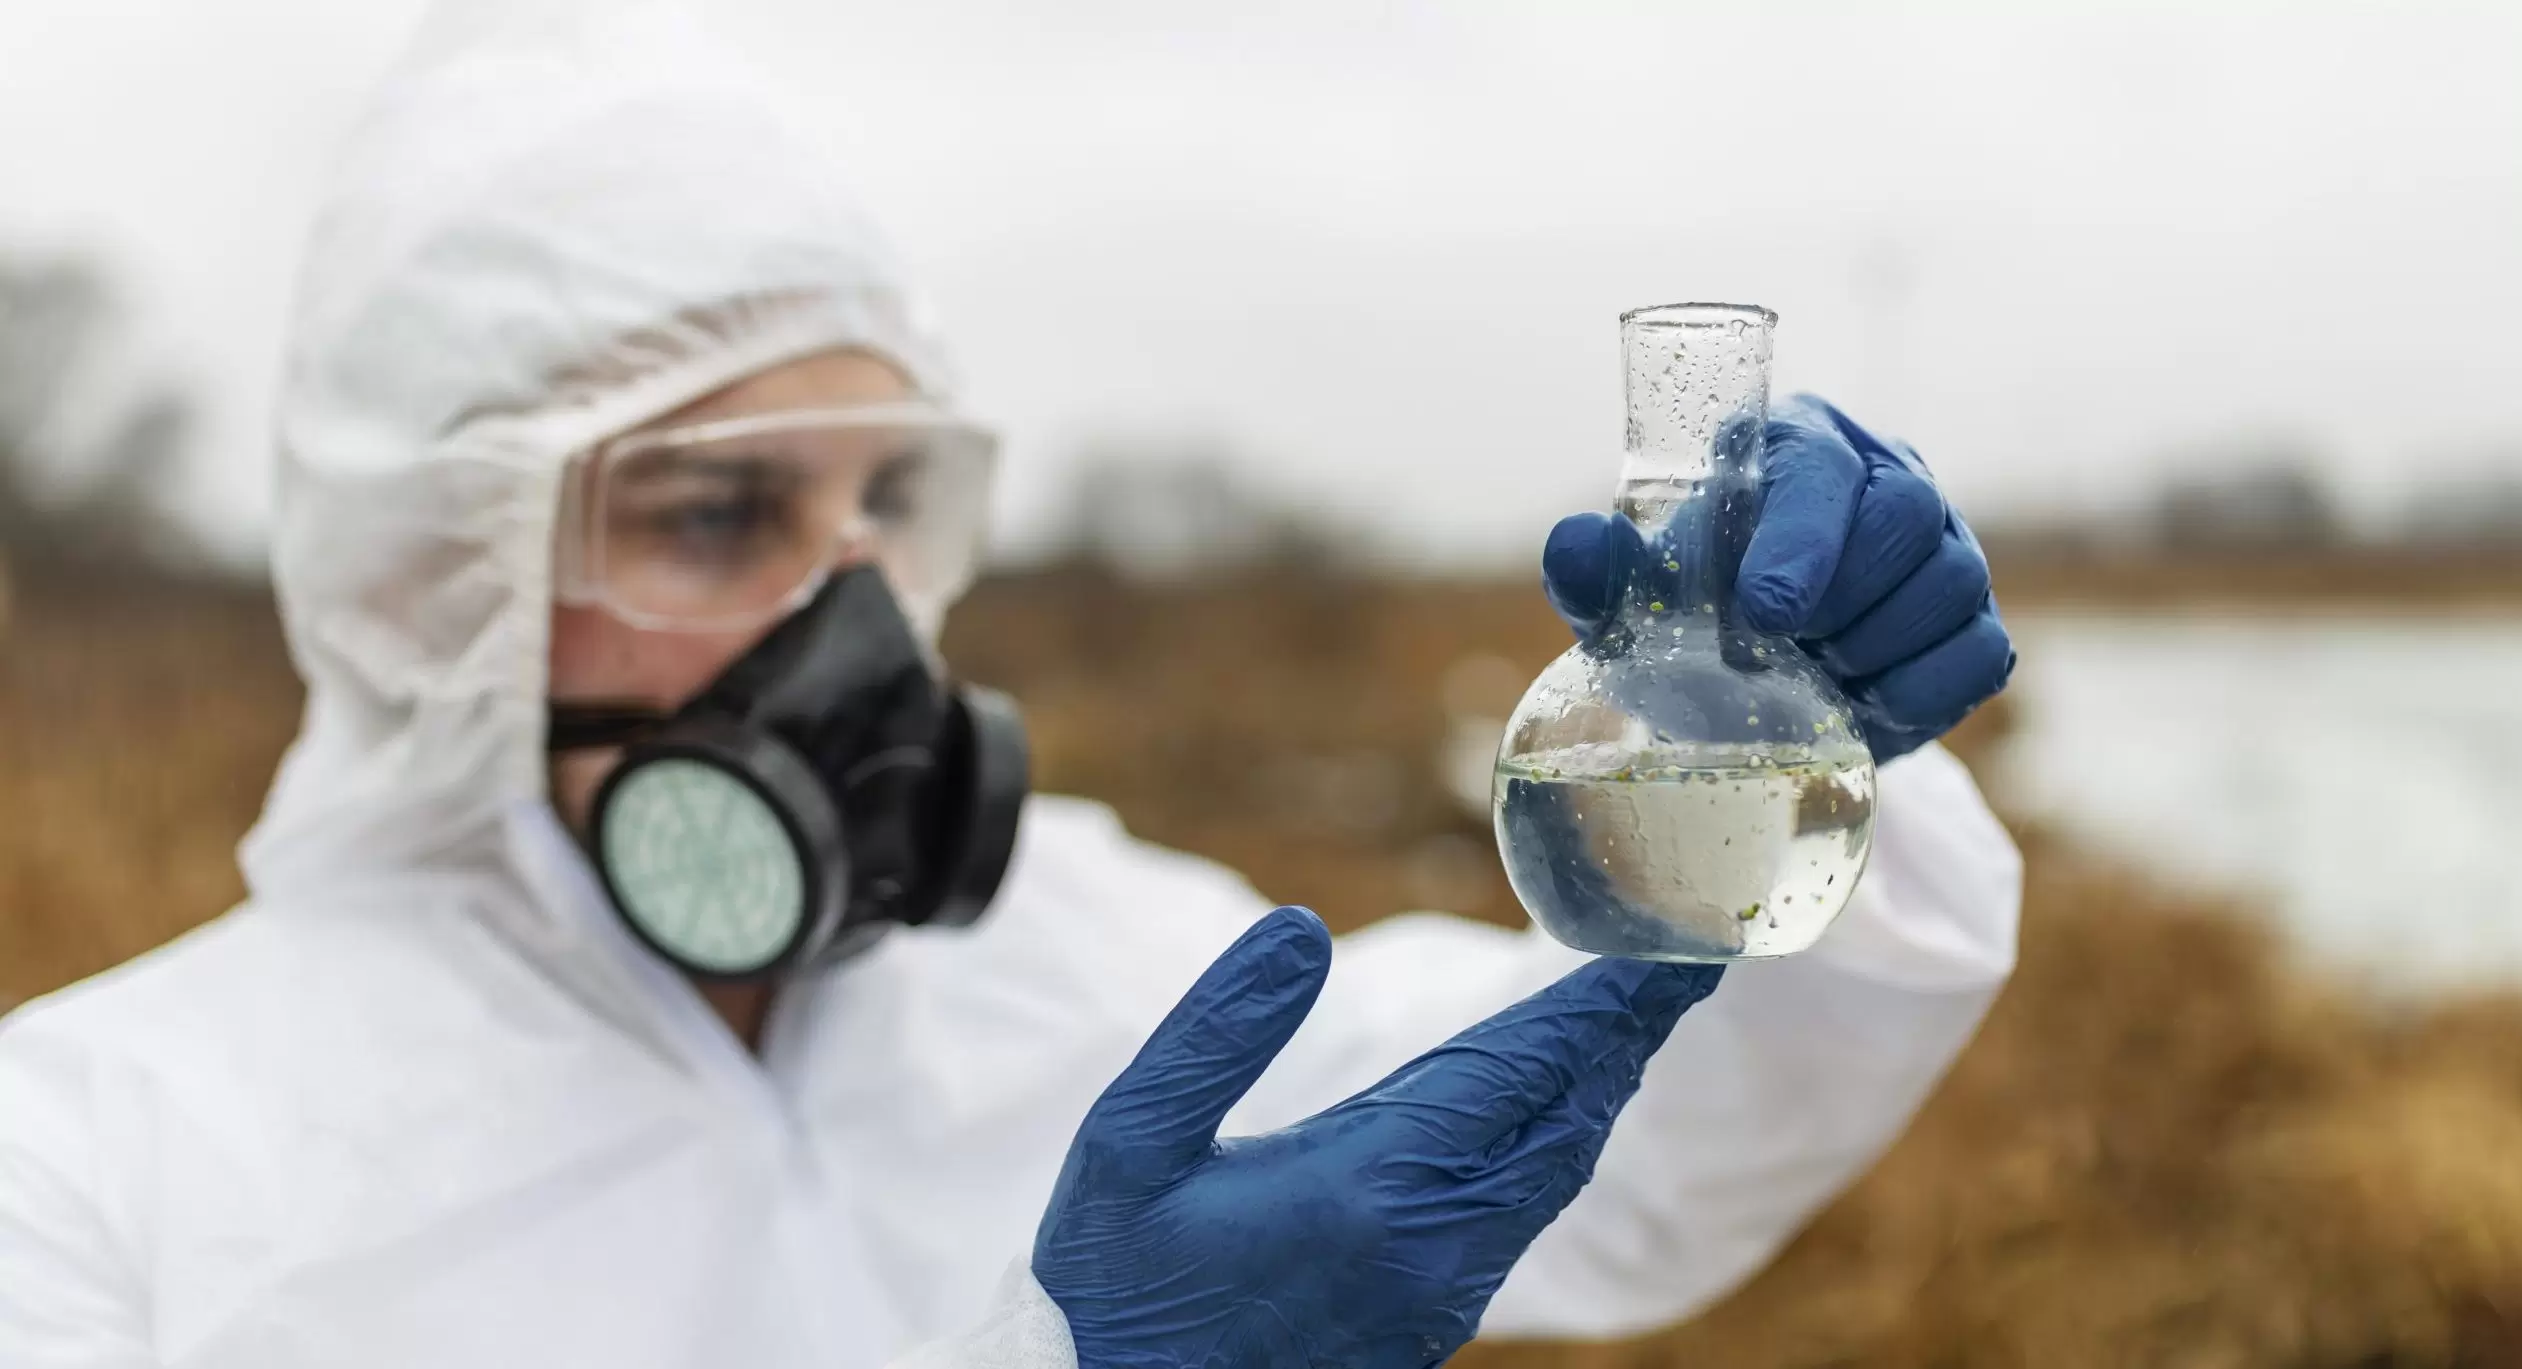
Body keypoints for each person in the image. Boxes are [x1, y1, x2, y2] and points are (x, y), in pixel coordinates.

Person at [0, 5, 2021, 1367]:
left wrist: (1795, 748)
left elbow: (1639, 1169)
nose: (853, 612)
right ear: (430, 576)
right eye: (711, 518)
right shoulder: (100, 1162)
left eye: (888, 496)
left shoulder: (1082, 963)